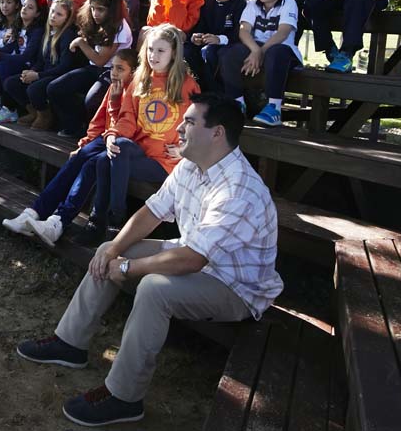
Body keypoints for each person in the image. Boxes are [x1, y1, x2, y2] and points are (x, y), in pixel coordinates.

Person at [16, 92, 283, 427]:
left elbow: (191, 260)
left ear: (217, 133)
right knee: (112, 248)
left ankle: (124, 398)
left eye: (189, 121)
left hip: (235, 287)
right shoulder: (191, 164)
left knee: (155, 288)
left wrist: (129, 267)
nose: (179, 128)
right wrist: (114, 250)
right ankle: (70, 342)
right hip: (197, 257)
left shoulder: (238, 189)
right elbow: (151, 212)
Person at [27, 23, 199, 247]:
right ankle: (102, 224)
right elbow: (127, 118)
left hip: (166, 161)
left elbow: (196, 122)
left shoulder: (186, 84)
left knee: (100, 162)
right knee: (114, 150)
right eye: (150, 50)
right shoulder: (139, 80)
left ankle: (101, 224)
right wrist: (111, 136)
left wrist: (186, 150)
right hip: (137, 152)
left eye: (160, 51)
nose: (153, 56)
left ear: (173, 53)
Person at [2, 48, 137, 240]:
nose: (114, 73)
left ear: (133, 72)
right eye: (113, 67)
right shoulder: (113, 86)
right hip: (104, 138)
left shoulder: (135, 91)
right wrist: (85, 142)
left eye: (120, 69)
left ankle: (58, 220)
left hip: (120, 142)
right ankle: (33, 213)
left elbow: (127, 124)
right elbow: (98, 121)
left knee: (88, 164)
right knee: (78, 157)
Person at [220, 0, 302, 126]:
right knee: (229, 53)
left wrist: (261, 51)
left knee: (275, 52)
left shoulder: (289, 4)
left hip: (282, 52)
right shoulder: (252, 4)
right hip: (256, 49)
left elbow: (283, 32)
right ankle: (237, 102)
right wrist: (255, 50)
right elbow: (244, 31)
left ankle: (274, 108)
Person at [48, 0, 131, 138]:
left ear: (111, 10)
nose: (95, 13)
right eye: (92, 8)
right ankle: (74, 126)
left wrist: (80, 42)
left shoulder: (120, 28)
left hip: (111, 71)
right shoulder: (94, 21)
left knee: (92, 100)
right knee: (55, 88)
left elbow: (100, 60)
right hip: (92, 68)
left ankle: (96, 133)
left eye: (100, 9)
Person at [4, 0, 78, 130]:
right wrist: (32, 71)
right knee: (11, 83)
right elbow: (40, 60)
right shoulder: (47, 33)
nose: (54, 16)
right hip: (44, 72)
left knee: (34, 88)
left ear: (67, 18)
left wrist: (38, 75)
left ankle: (45, 115)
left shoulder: (67, 35)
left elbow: (64, 67)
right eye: (53, 11)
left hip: (58, 75)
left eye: (59, 14)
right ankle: (34, 112)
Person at [0, 0, 49, 123]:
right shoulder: (18, 26)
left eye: (30, 7)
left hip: (30, 64)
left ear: (37, 14)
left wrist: (0, 55)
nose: (24, 8)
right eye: (24, 5)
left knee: (4, 65)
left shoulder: (37, 31)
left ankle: (9, 107)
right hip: (19, 61)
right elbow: (9, 48)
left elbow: (27, 56)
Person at [184, 0, 246, 92]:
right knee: (187, 50)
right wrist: (195, 37)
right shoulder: (207, 4)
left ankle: (215, 93)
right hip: (206, 45)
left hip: (228, 46)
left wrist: (219, 39)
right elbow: (200, 26)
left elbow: (239, 33)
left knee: (211, 51)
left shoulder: (240, 5)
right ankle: (197, 89)